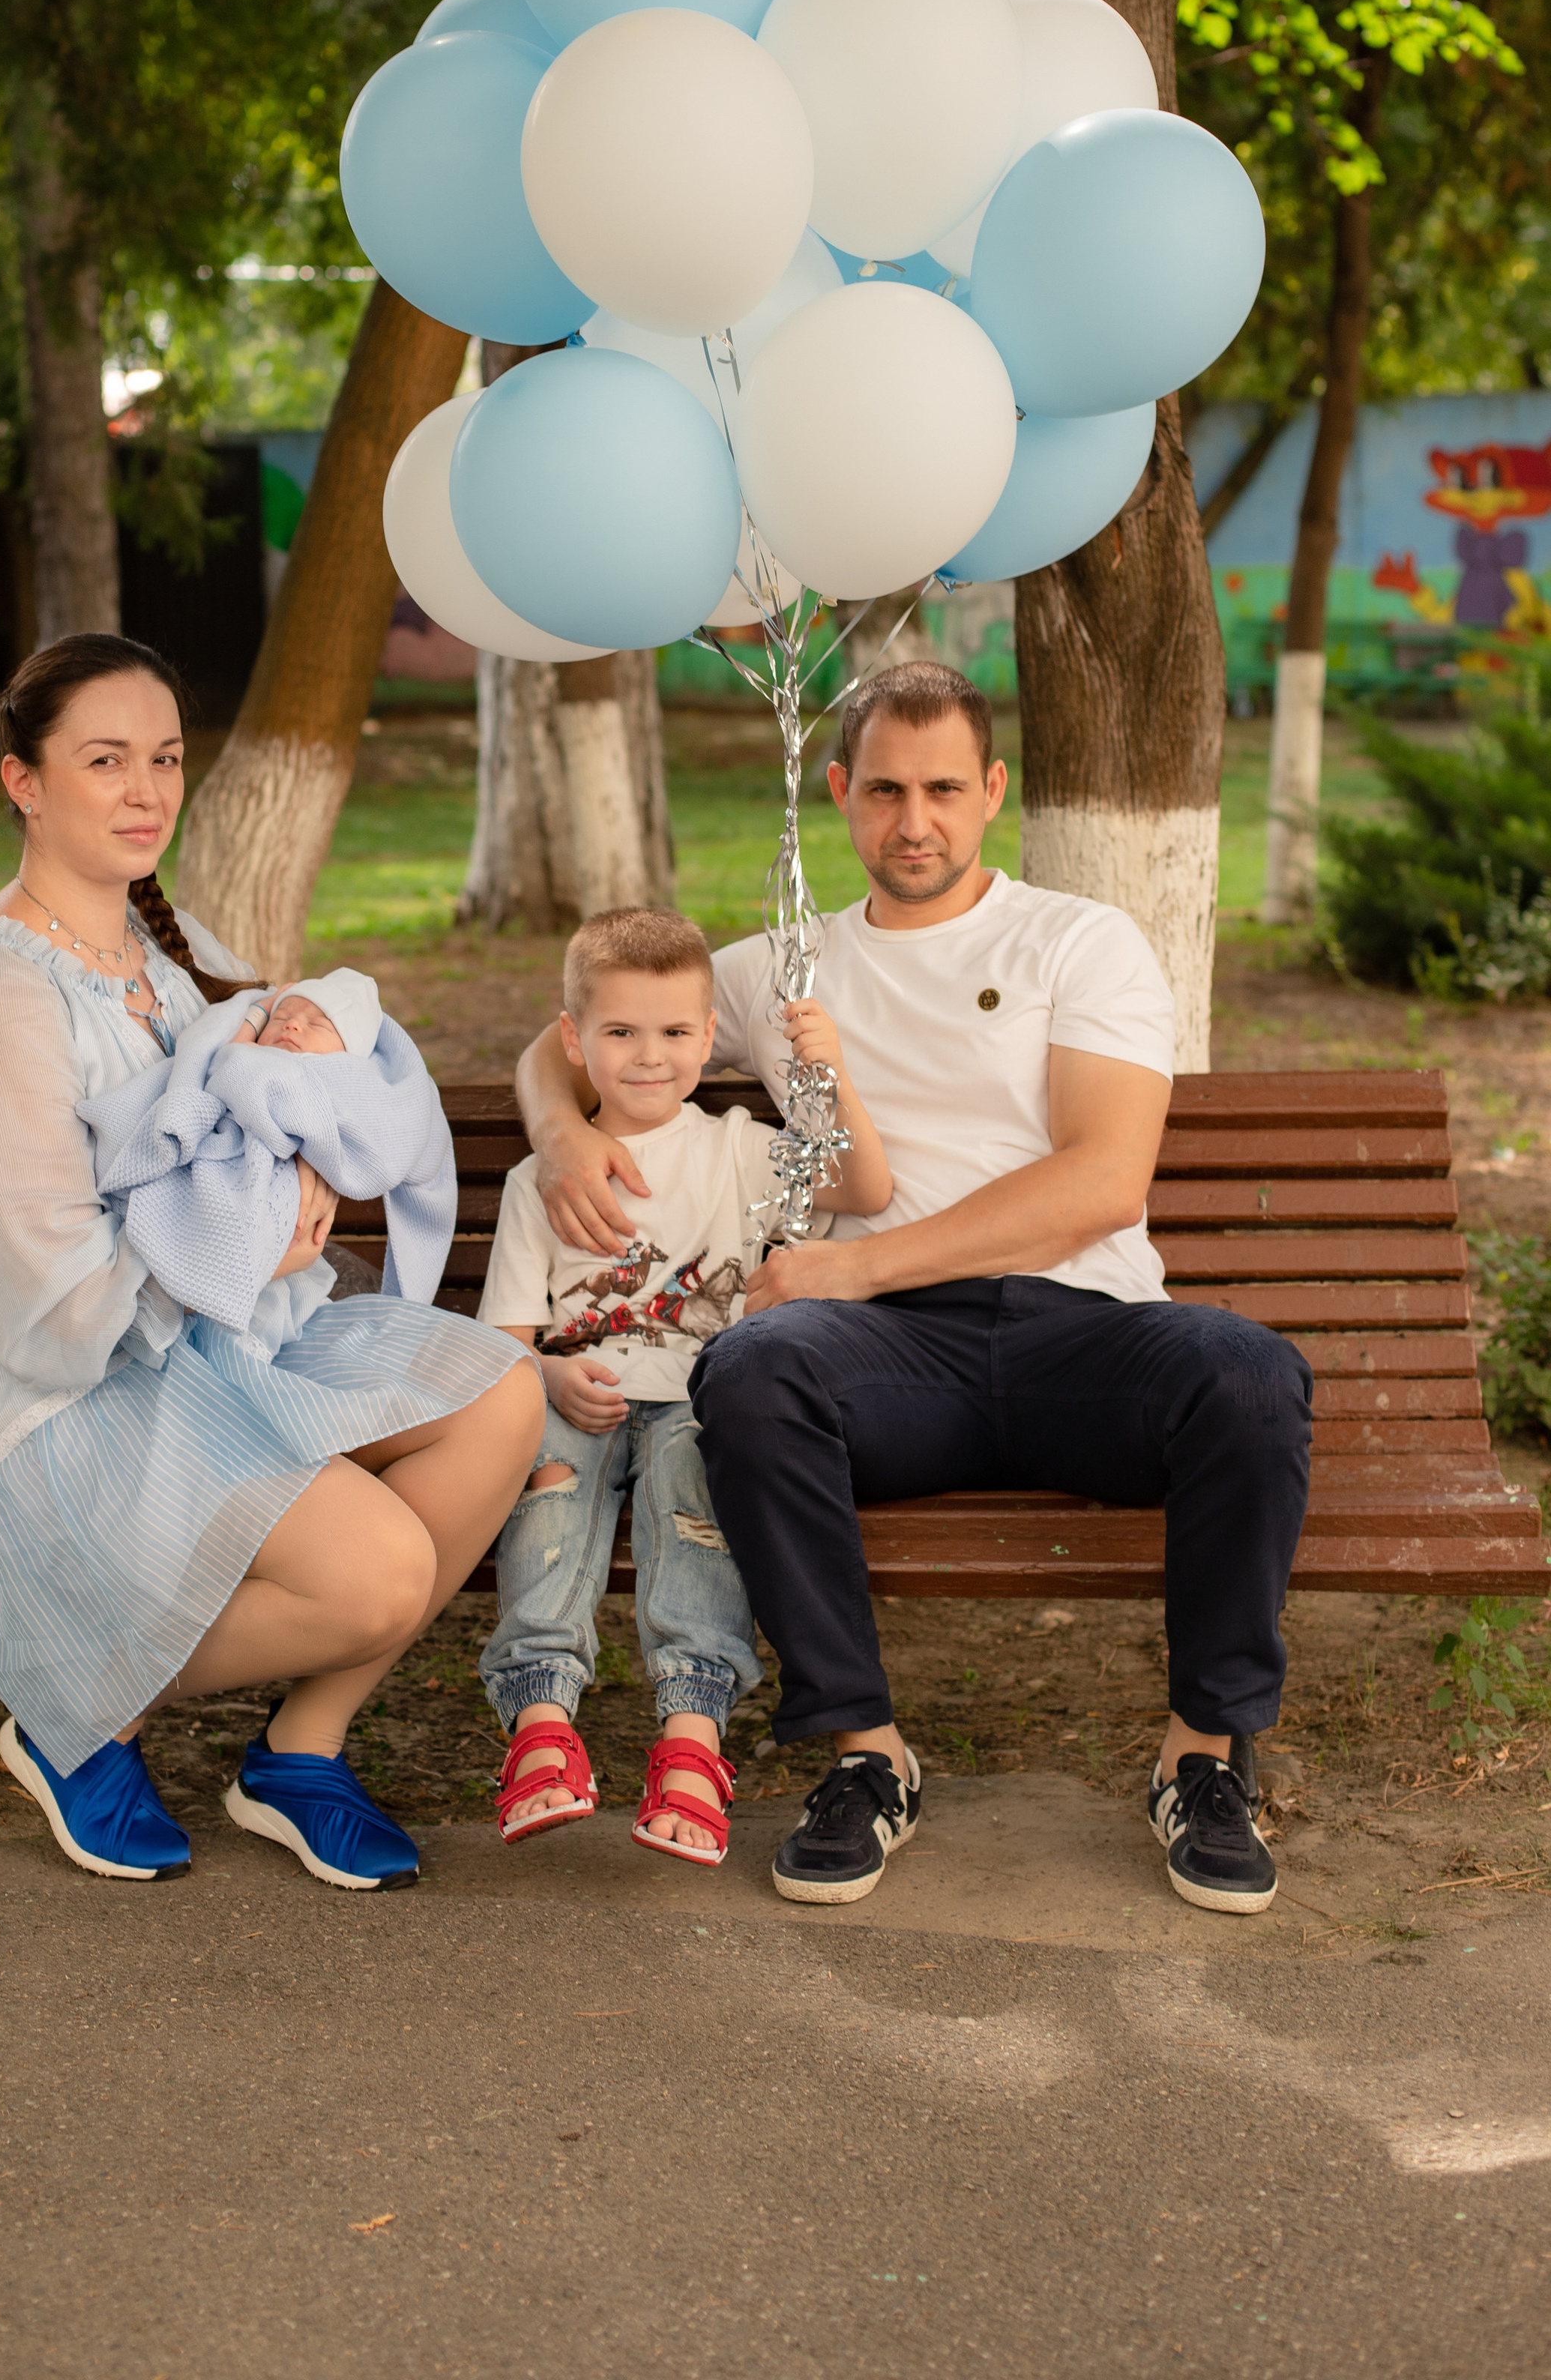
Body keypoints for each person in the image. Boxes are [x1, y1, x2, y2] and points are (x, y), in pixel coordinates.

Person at [513, 660, 1313, 1919]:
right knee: (753, 1371)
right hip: (888, 1362)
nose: (915, 821)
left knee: (1251, 1376)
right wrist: (559, 1133)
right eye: (885, 790)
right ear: (841, 793)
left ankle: (1202, 1758)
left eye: (943, 789)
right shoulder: (786, 966)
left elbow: (1103, 1181)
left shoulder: (1077, 941)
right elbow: (574, 1032)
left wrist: (856, 1263)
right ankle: (865, 1755)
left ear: (993, 790)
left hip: (1082, 1333)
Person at [0, 633, 541, 1893]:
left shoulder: (164, 945)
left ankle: (299, 1754)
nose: (146, 790)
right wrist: (239, 1243)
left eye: (166, 758)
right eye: (105, 761)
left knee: (504, 1396)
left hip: (214, 1329)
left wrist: (306, 1179)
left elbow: (258, 1110)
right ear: (24, 781)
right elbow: (45, 1298)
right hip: (55, 1383)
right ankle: (72, 1707)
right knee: (382, 1574)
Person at [478, 906, 891, 1866]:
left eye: (673, 1032)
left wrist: (826, 1071)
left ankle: (692, 1742)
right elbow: (505, 1341)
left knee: (696, 1492)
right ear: (574, 1040)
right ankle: (540, 1727)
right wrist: (548, 1372)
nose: (649, 1056)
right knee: (548, 1490)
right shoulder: (542, 1181)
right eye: (620, 1032)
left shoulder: (739, 1149)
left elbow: (864, 1189)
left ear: (709, 1037)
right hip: (576, 1395)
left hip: (701, 1398)